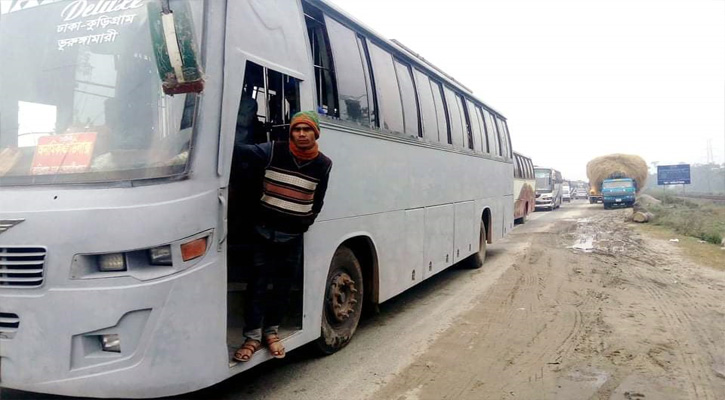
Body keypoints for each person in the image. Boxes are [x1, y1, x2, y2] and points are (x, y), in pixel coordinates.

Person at [232, 111, 333, 362]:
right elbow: (240, 152)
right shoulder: (273, 151)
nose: (300, 134)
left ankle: (272, 333)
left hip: (293, 236)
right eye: (296, 129)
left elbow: (318, 200)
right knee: (257, 284)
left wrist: (306, 221)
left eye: (306, 130)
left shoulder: (324, 164)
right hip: (264, 233)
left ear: (315, 133)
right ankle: (252, 337)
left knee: (282, 287)